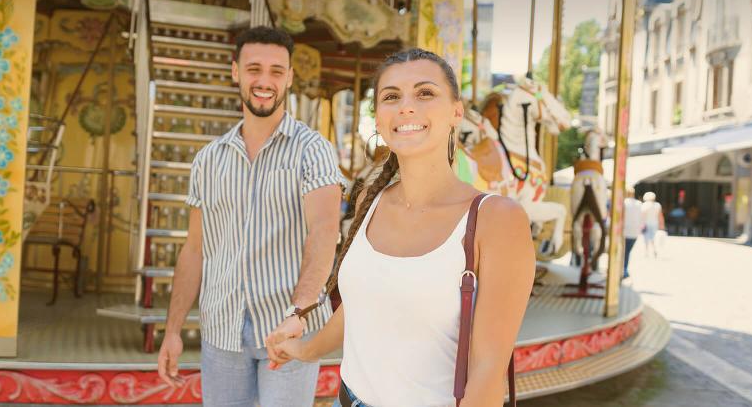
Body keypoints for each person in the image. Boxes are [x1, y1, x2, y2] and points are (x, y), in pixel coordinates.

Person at [265, 49, 536, 406]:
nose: (406, 107)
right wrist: (302, 350)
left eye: (425, 93)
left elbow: (488, 371)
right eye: (391, 97)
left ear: (457, 112)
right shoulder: (370, 203)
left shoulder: (495, 219)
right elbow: (363, 306)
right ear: (378, 119)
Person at [156, 26, 345, 406]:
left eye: (277, 71)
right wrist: (173, 330)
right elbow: (194, 250)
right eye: (254, 68)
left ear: (290, 77)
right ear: (235, 72)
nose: (265, 81)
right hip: (221, 331)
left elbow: (324, 232)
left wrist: (299, 312)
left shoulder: (314, 151)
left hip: (288, 328)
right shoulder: (208, 159)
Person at [622, 187, 642, 279]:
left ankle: (624, 269)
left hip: (624, 231)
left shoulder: (624, 203)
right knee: (627, 252)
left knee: (624, 252)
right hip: (635, 232)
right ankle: (624, 269)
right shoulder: (639, 204)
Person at [641, 191, 665, 258]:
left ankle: (646, 251)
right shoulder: (658, 205)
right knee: (653, 237)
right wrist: (662, 224)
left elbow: (642, 216)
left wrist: (641, 223)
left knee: (646, 237)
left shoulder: (644, 205)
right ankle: (654, 250)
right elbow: (660, 216)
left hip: (646, 223)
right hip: (655, 223)